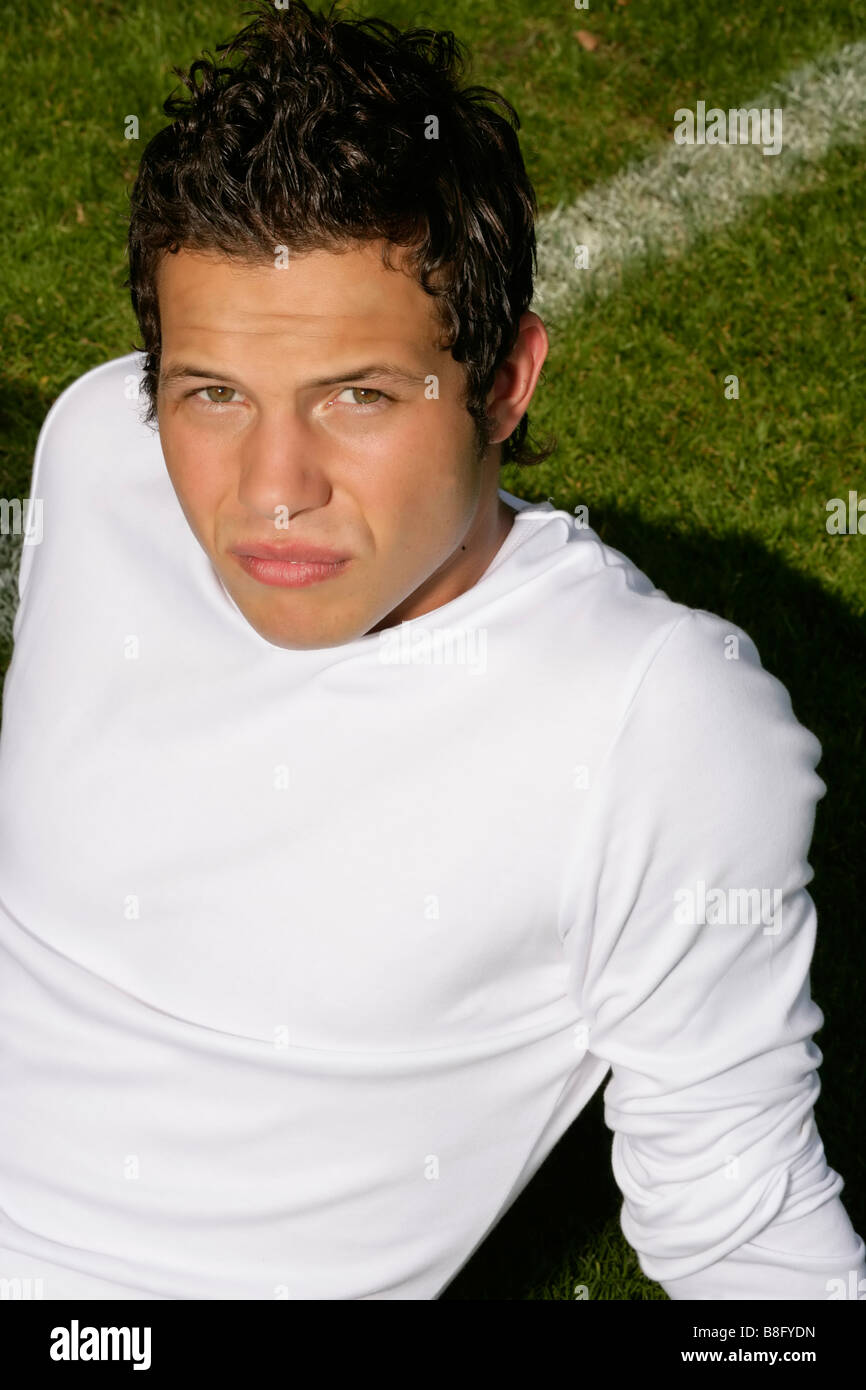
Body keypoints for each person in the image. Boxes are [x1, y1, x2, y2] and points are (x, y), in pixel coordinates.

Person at [0, 0, 862, 1301]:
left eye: (357, 395)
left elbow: (746, 1241)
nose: (271, 491)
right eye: (212, 393)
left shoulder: (650, 723)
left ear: (507, 382)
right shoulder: (94, 450)